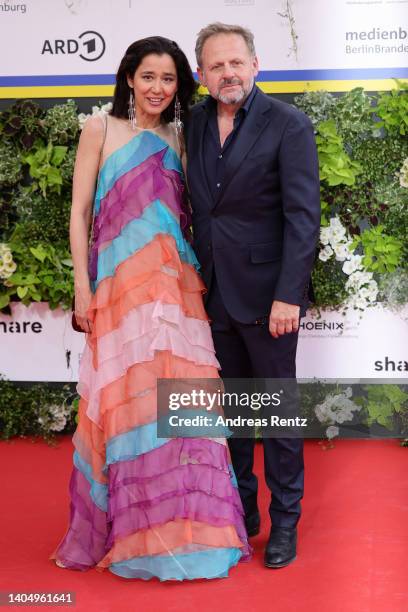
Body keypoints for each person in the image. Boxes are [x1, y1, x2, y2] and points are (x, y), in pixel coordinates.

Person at [50, 36, 250, 581]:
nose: (157, 88)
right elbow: (80, 212)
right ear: (129, 79)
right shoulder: (101, 129)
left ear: (179, 86)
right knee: (126, 408)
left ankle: (183, 530)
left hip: (173, 293)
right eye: (148, 77)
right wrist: (83, 289)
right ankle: (132, 534)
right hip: (118, 292)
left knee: (181, 412)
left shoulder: (182, 137)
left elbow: (192, 215)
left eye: (168, 79)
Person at [185, 23, 321, 568]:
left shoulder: (288, 124)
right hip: (210, 294)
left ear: (256, 64)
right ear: (201, 76)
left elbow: (302, 217)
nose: (228, 74)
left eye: (236, 63)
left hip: (270, 301)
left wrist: (289, 294)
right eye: (216, 66)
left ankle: (285, 522)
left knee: (278, 416)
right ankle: (243, 512)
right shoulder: (192, 123)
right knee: (233, 415)